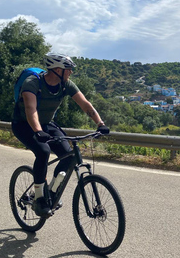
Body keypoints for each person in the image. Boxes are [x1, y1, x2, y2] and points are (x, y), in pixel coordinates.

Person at [11, 53, 109, 217]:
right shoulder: (33, 83)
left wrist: (101, 124)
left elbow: (85, 104)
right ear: (57, 69)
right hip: (24, 125)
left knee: (69, 156)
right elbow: (30, 109)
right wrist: (37, 131)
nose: (70, 72)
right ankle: (40, 197)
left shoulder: (66, 85)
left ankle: (51, 191)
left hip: (46, 125)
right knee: (43, 152)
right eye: (68, 69)